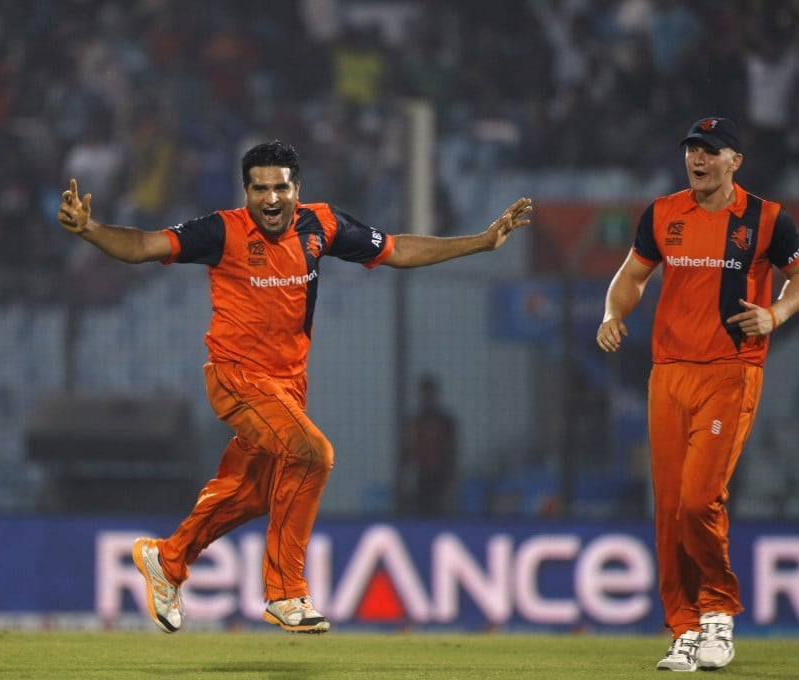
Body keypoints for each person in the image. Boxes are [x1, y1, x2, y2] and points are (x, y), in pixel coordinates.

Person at [57, 139, 532, 634]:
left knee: (254, 492)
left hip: (287, 388)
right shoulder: (221, 231)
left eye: (280, 187)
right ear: (246, 191)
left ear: (296, 189)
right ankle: (286, 593)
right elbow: (143, 245)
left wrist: (479, 241)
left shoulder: (322, 224)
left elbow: (397, 249)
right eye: (259, 188)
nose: (270, 199)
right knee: (312, 454)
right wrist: (91, 229)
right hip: (236, 378)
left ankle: (167, 559)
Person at [597, 116, 799, 671]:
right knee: (668, 508)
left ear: (736, 160)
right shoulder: (663, 214)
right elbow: (632, 276)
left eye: (710, 150)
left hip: (731, 371)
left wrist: (776, 312)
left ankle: (717, 613)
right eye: (692, 149)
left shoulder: (767, 219)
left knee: (697, 498)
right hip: (669, 373)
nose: (697, 159)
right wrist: (613, 313)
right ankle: (684, 629)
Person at [396, 373, 460, 516]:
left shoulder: (444, 421)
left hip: (440, 476)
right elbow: (407, 449)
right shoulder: (415, 421)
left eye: (429, 393)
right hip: (420, 476)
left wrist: (451, 480)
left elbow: (452, 451)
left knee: (439, 512)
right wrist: (401, 475)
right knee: (420, 511)